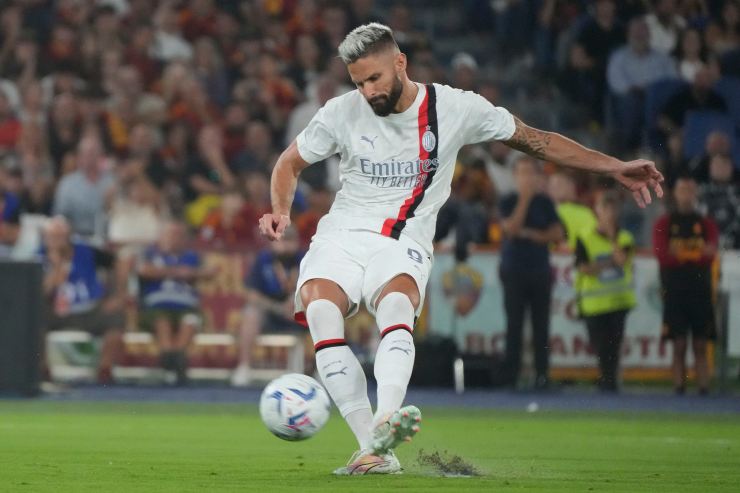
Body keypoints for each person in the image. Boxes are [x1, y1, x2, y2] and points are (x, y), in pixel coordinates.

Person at [258, 23, 664, 476]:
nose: (368, 91)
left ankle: (386, 418)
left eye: (374, 78)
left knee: (396, 305)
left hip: (402, 236)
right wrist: (280, 210)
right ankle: (373, 447)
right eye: (359, 83)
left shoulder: (454, 108)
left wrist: (613, 167)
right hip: (342, 233)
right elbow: (289, 162)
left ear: (400, 63)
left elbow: (536, 140)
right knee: (320, 311)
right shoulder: (340, 112)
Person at [499, 156, 564, 390]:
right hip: (514, 271)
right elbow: (511, 229)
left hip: (539, 270)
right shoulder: (508, 201)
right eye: (522, 173)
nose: (527, 178)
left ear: (537, 177)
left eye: (530, 173)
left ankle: (542, 375)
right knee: (514, 325)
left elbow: (558, 234)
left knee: (541, 326)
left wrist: (532, 235)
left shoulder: (545, 203)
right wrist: (525, 199)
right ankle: (511, 376)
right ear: (515, 176)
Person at [39, 216, 125, 383]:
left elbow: (118, 262)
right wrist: (56, 266)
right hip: (55, 310)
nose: (57, 240)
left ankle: (105, 369)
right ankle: (42, 370)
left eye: (61, 236)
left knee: (115, 317)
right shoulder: (38, 255)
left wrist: (118, 295)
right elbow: (42, 292)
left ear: (69, 236)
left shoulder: (87, 251)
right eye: (53, 236)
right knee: (33, 321)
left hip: (89, 307)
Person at [653, 175, 718, 395]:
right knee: (678, 343)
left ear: (696, 193)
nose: (687, 195)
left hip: (700, 291)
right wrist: (696, 252)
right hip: (675, 291)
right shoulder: (664, 223)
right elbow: (663, 257)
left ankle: (704, 388)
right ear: (675, 193)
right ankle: (678, 388)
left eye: (690, 190)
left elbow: (711, 255)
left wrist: (680, 253)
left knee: (701, 344)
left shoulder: (706, 224)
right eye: (682, 190)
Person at [137, 221, 215, 386]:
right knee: (162, 321)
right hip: (157, 304)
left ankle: (174, 360)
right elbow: (143, 270)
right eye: (171, 235)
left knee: (190, 321)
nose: (174, 239)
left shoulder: (191, 257)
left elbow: (210, 271)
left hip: (186, 305)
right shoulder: (151, 254)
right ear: (161, 237)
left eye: (178, 235)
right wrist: (177, 272)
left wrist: (192, 273)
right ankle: (172, 362)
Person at [574, 190, 636, 392]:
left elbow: (621, 260)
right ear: (597, 210)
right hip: (594, 303)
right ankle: (605, 379)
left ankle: (609, 382)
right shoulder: (584, 237)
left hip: (618, 301)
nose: (609, 213)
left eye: (612, 209)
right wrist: (610, 263)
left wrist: (611, 237)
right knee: (600, 345)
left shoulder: (624, 237)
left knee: (614, 345)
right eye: (605, 208)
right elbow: (584, 268)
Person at [231, 227, 305, 387]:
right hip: (271, 310)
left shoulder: (305, 259)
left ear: (297, 242)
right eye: (281, 240)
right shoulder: (263, 259)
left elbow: (315, 287)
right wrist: (277, 307)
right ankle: (244, 367)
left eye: (290, 240)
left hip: (299, 309)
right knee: (251, 313)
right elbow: (252, 294)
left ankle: (320, 370)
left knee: (322, 312)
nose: (285, 245)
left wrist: (297, 301)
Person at [547, 171, 597, 250]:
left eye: (558, 185)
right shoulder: (586, 213)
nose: (554, 189)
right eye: (552, 186)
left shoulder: (545, 214)